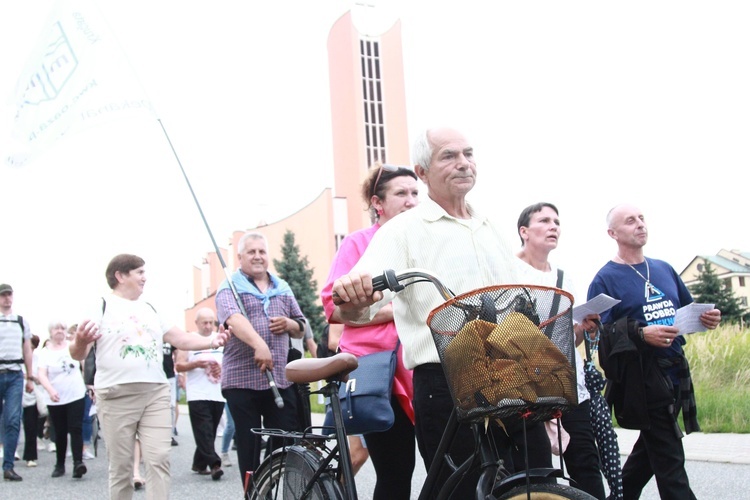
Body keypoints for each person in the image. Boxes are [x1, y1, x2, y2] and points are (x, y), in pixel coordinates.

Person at [330, 127, 552, 497]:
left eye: (468, 153)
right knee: (461, 490)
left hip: (510, 371)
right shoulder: (402, 230)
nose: (463, 162)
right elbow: (356, 309)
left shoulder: (488, 226)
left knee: (537, 480)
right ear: (422, 171)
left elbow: (523, 290)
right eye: (448, 156)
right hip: (446, 377)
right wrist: (352, 295)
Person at [588, 203, 722, 500]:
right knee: (670, 461)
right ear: (613, 233)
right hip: (642, 380)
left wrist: (706, 318)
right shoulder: (605, 279)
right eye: (630, 221)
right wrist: (641, 333)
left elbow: (686, 309)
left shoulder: (663, 268)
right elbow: (603, 337)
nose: (639, 224)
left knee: (647, 456)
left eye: (641, 218)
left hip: (674, 371)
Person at [70, 253, 229, 500]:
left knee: (159, 459)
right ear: (120, 276)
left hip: (154, 393)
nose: (146, 277)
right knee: (122, 468)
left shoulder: (151, 309)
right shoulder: (100, 306)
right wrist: (80, 340)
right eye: (140, 272)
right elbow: (78, 353)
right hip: (115, 394)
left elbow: (180, 338)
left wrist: (211, 341)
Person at [321, 161, 419, 499]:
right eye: (401, 193)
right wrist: (401, 310)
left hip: (423, 365)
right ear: (378, 203)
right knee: (396, 473)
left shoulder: (422, 242)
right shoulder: (359, 243)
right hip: (381, 372)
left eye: (415, 193)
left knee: (446, 466)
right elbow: (334, 305)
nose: (412, 200)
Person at [515, 202, 607, 499]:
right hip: (527, 387)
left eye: (556, 221)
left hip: (568, 384)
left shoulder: (564, 278)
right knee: (536, 471)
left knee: (586, 464)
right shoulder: (509, 271)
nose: (554, 226)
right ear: (524, 231)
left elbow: (568, 340)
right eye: (544, 220)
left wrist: (583, 328)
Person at [216, 232, 305, 484]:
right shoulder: (229, 287)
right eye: (251, 252)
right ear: (240, 257)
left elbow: (301, 326)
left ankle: (275, 485)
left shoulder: (282, 288)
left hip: (280, 378)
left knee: (286, 440)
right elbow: (233, 319)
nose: (257, 256)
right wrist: (259, 344)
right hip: (242, 380)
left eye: (262, 251)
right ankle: (253, 492)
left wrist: (289, 323)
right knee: (249, 446)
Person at [175, 307, 225, 480]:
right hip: (197, 393)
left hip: (218, 392)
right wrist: (196, 364)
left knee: (209, 430)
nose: (208, 326)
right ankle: (215, 464)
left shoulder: (219, 339)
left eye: (211, 322)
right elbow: (179, 365)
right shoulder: (189, 340)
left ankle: (199, 463)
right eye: (204, 322)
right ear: (196, 323)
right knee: (204, 430)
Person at [37, 320, 88, 479]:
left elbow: (84, 364)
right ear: (50, 332)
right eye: (56, 328)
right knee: (59, 431)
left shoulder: (72, 346)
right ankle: (59, 464)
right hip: (56, 397)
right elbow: (41, 374)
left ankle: (78, 463)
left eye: (62, 328)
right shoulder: (44, 352)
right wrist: (50, 390)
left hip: (75, 393)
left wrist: (88, 383)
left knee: (76, 428)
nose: (59, 331)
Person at [0, 283, 34, 482]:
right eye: (3, 295)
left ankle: (8, 466)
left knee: (13, 420)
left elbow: (27, 349)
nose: (6, 299)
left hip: (14, 374)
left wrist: (30, 376)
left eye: (9, 295)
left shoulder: (21, 322)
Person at [21, 334, 41, 468]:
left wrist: (30, 377)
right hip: (15, 394)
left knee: (30, 426)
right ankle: (10, 452)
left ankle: (30, 456)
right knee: (11, 424)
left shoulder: (38, 360)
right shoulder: (15, 358)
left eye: (32, 347)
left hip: (31, 395)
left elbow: (41, 378)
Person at [162, 340, 179, 447]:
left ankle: (170, 434)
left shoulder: (169, 338)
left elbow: (176, 351)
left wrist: (175, 364)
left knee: (171, 406)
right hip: (157, 376)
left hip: (170, 375)